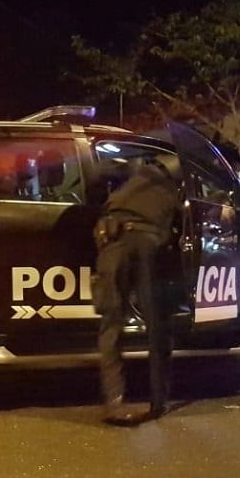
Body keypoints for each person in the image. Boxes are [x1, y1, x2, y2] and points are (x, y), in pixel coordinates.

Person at [91, 153, 183, 426]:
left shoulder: (126, 184)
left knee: (110, 325)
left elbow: (97, 183)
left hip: (111, 243)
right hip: (145, 246)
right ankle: (158, 402)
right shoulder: (171, 191)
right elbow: (178, 232)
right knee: (156, 325)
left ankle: (114, 402)